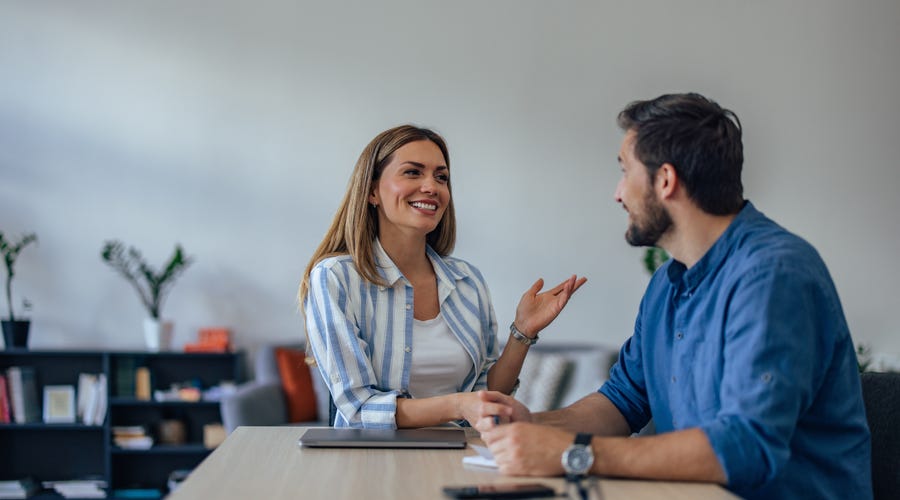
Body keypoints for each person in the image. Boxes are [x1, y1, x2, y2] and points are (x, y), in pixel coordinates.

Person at [474, 93, 872, 500]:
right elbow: (622, 401)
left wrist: (573, 453)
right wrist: (531, 427)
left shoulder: (774, 275)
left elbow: (747, 446)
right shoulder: (666, 283)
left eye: (625, 171)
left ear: (665, 180)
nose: (618, 193)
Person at [299, 124, 586, 429]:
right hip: (373, 456)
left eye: (441, 177)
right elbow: (358, 410)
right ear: (372, 191)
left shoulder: (467, 281)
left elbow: (486, 394)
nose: (431, 187)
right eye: (413, 172)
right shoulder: (335, 278)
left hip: (464, 452)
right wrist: (458, 405)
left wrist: (523, 332)